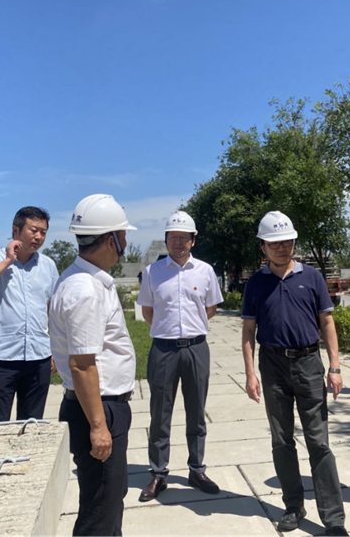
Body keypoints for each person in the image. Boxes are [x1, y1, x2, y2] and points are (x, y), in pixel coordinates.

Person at [242, 211, 349, 537]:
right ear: (263, 246)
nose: (282, 247)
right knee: (281, 439)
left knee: (318, 441)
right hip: (272, 366)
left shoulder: (312, 277)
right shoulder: (256, 283)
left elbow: (327, 322)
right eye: (274, 243)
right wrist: (250, 373)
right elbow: (248, 331)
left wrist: (334, 366)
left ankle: (334, 519)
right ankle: (293, 506)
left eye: (287, 241)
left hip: (308, 363)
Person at [49, 194, 137, 537]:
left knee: (110, 500)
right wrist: (99, 427)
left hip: (100, 406)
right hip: (98, 410)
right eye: (123, 235)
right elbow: (82, 365)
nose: (125, 242)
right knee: (99, 511)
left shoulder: (81, 279)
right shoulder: (85, 289)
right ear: (111, 240)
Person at [136, 211, 224, 501]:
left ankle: (197, 469)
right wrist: (167, 331)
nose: (178, 242)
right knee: (160, 413)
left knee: (197, 412)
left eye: (183, 237)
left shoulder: (205, 271)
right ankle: (158, 473)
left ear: (192, 240)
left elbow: (210, 308)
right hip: (163, 349)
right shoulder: (152, 272)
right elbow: (147, 311)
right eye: (173, 237)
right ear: (166, 240)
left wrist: (191, 329)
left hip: (196, 348)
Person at [0, 206, 59, 423]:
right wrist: (8, 261)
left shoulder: (48, 265)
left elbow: (52, 310)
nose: (38, 237)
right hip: (2, 357)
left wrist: (55, 349)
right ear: (15, 230)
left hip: (39, 357)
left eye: (43, 232)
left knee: (32, 424)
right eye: (33, 230)